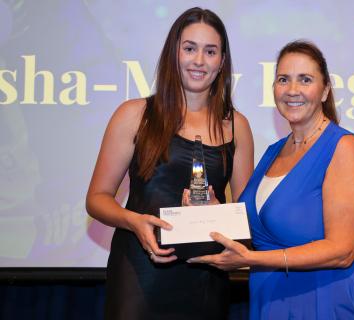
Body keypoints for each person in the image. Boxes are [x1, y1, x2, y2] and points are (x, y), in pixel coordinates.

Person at [86, 7, 254, 320]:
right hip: (140, 273)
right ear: (173, 54)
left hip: (206, 277)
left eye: (210, 51)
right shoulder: (134, 115)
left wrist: (219, 211)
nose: (199, 61)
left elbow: (247, 217)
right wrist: (134, 221)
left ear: (222, 62)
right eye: (189, 48)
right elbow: (96, 199)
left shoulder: (236, 126)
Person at [188, 40, 354, 319]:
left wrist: (251, 260)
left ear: (324, 91)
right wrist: (213, 212)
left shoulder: (344, 147)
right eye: (283, 79)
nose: (292, 90)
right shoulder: (274, 152)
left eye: (305, 80)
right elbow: (254, 231)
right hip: (269, 300)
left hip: (321, 301)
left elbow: (342, 251)